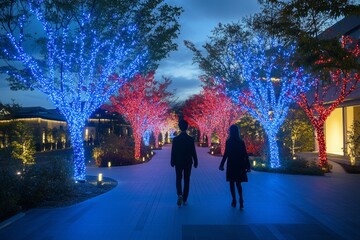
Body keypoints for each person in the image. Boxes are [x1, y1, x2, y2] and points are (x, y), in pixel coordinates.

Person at [219, 124, 250, 209]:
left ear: (231, 132)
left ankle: (234, 199)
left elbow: (226, 154)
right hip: (239, 164)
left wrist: (221, 164)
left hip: (231, 164)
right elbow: (245, 154)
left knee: (231, 183)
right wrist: (248, 166)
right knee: (238, 183)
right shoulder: (241, 142)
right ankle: (241, 198)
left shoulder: (228, 142)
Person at [171, 119, 198, 206]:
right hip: (188, 162)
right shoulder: (190, 139)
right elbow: (193, 151)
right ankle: (185, 198)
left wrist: (172, 161)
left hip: (178, 162)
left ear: (179, 127)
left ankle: (179, 194)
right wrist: (196, 161)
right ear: (187, 128)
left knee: (178, 178)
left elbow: (173, 151)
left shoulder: (175, 140)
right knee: (187, 179)